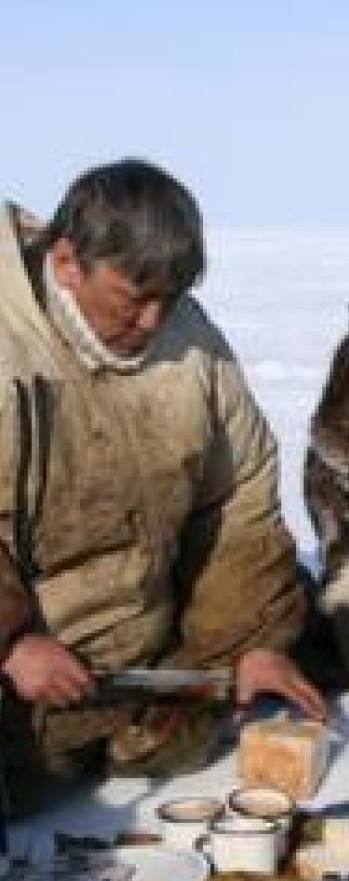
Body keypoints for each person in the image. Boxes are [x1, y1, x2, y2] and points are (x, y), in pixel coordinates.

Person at [0, 159, 325, 789]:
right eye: (135, 297)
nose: (153, 322)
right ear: (67, 262)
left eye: (170, 298)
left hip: (139, 663)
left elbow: (241, 501)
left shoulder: (192, 346)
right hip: (20, 666)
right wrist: (11, 645)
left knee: (302, 627)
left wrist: (248, 641)